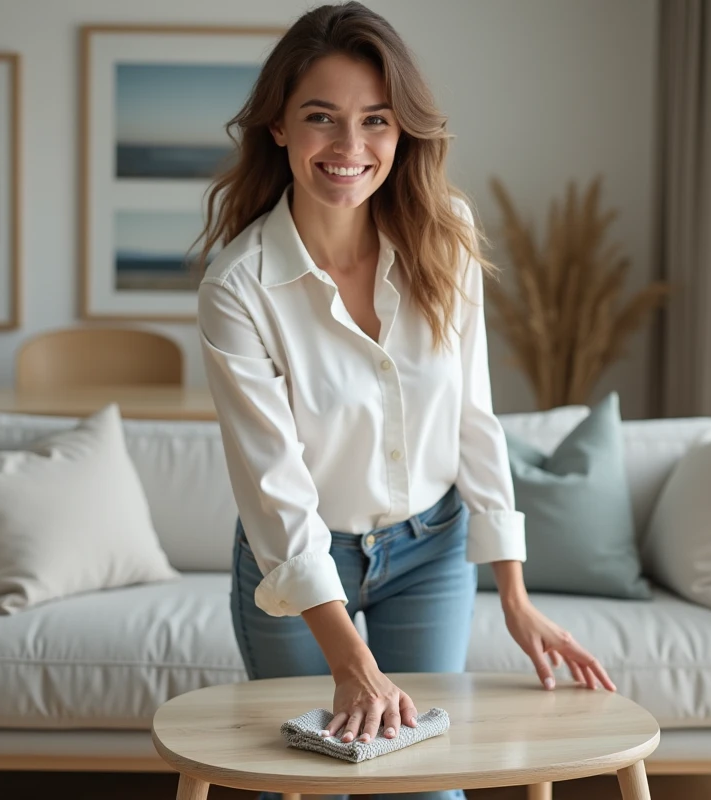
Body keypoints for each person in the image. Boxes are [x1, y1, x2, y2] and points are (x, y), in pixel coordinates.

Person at [194, 3, 615, 798]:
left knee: (424, 783)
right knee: (312, 787)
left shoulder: (443, 234)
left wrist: (514, 594)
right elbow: (274, 493)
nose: (350, 148)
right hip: (301, 569)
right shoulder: (238, 289)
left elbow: (473, 417)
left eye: (375, 121)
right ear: (279, 126)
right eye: (322, 118)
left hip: (431, 553)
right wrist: (351, 663)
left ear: (403, 130)